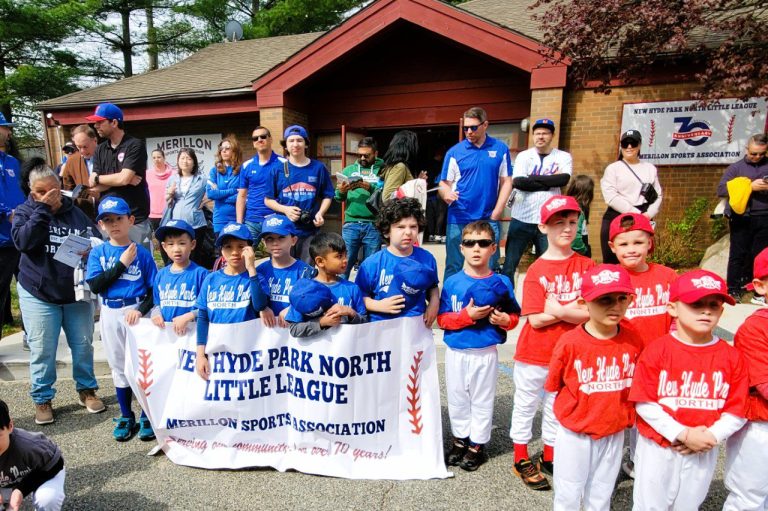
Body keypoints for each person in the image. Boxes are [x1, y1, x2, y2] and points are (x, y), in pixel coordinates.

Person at [629, 269, 748, 511]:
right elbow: (644, 402)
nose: (706, 310)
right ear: (672, 308)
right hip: (660, 446)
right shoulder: (657, 350)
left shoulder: (731, 356)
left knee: (688, 505)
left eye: (713, 305)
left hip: (703, 447)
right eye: (695, 303)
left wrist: (711, 436)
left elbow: (737, 409)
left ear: (721, 311)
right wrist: (682, 433)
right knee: (649, 506)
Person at [510, 195, 594, 491]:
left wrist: (558, 309)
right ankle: (520, 456)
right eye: (559, 223)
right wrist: (573, 309)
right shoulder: (536, 270)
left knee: (556, 407)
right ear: (543, 227)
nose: (568, 229)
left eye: (572, 222)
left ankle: (550, 454)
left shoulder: (586, 265)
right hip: (535, 353)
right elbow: (534, 319)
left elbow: (591, 313)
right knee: (526, 405)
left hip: (570, 353)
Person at [11, 158, 105, 425]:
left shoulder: (75, 212)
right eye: (41, 192)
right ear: (32, 192)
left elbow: (95, 236)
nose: (49, 195)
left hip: (74, 292)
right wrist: (42, 210)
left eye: (53, 189)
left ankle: (86, 389)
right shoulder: (25, 211)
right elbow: (25, 243)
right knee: (43, 349)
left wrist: (92, 246)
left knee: (83, 344)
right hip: (38, 291)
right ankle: (42, 397)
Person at [544, 264, 642, 510]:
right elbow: (554, 387)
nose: (615, 306)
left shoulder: (633, 340)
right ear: (583, 302)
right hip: (576, 433)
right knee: (568, 493)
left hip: (613, 430)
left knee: (601, 494)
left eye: (622, 298)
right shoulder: (570, 342)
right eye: (604, 299)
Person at [438, 220, 520, 471]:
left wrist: (506, 321)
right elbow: (442, 319)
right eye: (470, 243)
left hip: (485, 351)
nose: (476, 249)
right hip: (457, 351)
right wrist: (467, 317)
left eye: (483, 243)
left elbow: (514, 315)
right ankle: (460, 439)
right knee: (457, 397)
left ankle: (477, 443)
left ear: (493, 248)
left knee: (482, 399)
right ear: (461, 248)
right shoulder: (452, 282)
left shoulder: (502, 282)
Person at [607, 212, 677, 479]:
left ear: (650, 242)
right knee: (618, 412)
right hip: (621, 360)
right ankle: (610, 463)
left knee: (649, 412)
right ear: (613, 247)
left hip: (658, 360)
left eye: (638, 242)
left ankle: (639, 461)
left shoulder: (668, 276)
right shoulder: (610, 277)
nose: (631, 249)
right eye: (623, 244)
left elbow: (677, 318)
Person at [86, 197, 157, 442]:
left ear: (130, 220)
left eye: (118, 218)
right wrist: (121, 264)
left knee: (142, 366)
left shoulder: (143, 253)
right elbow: (96, 285)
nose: (114, 224)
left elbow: (153, 290)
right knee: (118, 365)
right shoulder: (99, 252)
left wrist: (142, 310)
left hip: (136, 311)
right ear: (101, 225)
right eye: (108, 220)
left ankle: (148, 415)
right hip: (110, 311)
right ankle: (127, 415)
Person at [439, 107, 512, 279]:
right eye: (466, 128)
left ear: (485, 125)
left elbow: (507, 181)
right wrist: (446, 193)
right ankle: (450, 303)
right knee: (454, 264)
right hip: (459, 216)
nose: (469, 132)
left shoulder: (500, 149)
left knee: (490, 264)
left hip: (488, 217)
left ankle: (488, 301)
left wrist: (497, 212)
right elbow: (443, 183)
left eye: (473, 127)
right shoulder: (454, 152)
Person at [723, 247, 768, 510]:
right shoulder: (754, 328)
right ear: (760, 286)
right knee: (749, 496)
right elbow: (763, 384)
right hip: (759, 425)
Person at [195, 223, 269, 380]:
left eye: (241, 246)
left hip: (247, 353)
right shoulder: (211, 279)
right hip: (218, 354)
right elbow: (203, 318)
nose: (235, 252)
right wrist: (200, 354)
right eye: (228, 247)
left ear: (250, 249)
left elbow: (260, 305)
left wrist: (251, 269)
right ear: (221, 251)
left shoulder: (256, 277)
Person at [503, 118, 572, 282]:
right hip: (522, 217)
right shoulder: (524, 156)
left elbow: (563, 180)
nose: (541, 137)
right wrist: (549, 182)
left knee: (549, 264)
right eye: (538, 133)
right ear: (533, 136)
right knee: (509, 264)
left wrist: (533, 178)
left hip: (549, 219)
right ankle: (506, 300)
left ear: (552, 135)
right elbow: (519, 182)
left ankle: (547, 300)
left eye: (545, 133)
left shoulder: (563, 156)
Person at [356, 198, 439, 325]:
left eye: (413, 227)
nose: (408, 232)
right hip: (381, 326)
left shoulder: (427, 259)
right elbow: (359, 297)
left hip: (416, 326)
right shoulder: (372, 264)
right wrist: (378, 305)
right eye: (400, 227)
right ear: (386, 231)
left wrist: (434, 304)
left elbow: (432, 287)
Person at [86, 102, 152, 252]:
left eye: (100, 122)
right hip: (108, 218)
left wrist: (105, 179)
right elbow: (94, 184)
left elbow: (123, 178)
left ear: (114, 122)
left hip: (133, 218)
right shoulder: (100, 150)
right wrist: (121, 180)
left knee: (139, 265)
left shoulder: (135, 145)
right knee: (111, 267)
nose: (95, 126)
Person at [265, 125, 334, 264]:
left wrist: (320, 213)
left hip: (310, 231)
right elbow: (268, 200)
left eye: (299, 140)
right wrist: (286, 210)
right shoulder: (277, 170)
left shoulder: (318, 168)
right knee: (282, 268)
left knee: (306, 270)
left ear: (306, 144)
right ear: (285, 145)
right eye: (291, 141)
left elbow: (328, 195)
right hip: (283, 231)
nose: (295, 144)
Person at [285, 233, 367, 337]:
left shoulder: (352, 288)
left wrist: (350, 313)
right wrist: (321, 323)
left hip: (345, 351)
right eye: (339, 256)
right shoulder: (304, 291)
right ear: (320, 261)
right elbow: (294, 329)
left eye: (346, 254)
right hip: (317, 351)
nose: (345, 260)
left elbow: (364, 322)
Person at [600, 129, 662, 264]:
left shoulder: (650, 168)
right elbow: (611, 196)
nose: (629, 147)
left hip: (644, 215)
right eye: (625, 143)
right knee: (612, 261)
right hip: (617, 215)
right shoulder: (613, 168)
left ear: (639, 145)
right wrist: (636, 214)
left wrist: (648, 214)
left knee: (638, 259)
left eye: (633, 143)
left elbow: (658, 195)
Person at [716, 133, 768, 298]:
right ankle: (733, 289)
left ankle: (759, 292)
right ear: (747, 149)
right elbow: (722, 190)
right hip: (741, 217)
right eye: (753, 153)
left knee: (760, 257)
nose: (757, 157)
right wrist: (749, 187)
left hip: (765, 216)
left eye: (762, 154)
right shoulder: (736, 168)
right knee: (738, 254)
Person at [0, 399, 66, 511]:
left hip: (40, 471)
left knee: (48, 499)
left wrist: (20, 490)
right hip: (6, 483)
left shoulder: (29, 445)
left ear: (10, 426)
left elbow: (56, 464)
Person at [334, 137, 384, 278]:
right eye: (359, 155)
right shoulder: (349, 170)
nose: (362, 158)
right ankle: (342, 295)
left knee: (371, 266)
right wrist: (342, 191)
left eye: (366, 155)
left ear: (376, 153)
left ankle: (367, 296)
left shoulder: (383, 170)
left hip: (374, 224)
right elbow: (338, 197)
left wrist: (370, 187)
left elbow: (387, 194)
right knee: (344, 264)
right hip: (351, 223)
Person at [150, 220, 209, 336]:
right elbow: (157, 304)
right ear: (164, 247)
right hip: (167, 337)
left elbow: (209, 307)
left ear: (192, 244)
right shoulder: (161, 275)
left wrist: (188, 316)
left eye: (182, 243)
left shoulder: (202, 274)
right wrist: (155, 314)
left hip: (193, 335)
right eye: (171, 244)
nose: (176, 249)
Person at [255, 214, 313, 328]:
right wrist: (263, 308)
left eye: (281, 237)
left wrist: (293, 309)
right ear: (264, 243)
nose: (275, 243)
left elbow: (312, 301)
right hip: (266, 335)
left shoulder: (305, 271)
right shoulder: (259, 271)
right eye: (270, 239)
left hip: (295, 335)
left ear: (293, 240)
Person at [237, 126, 284, 242]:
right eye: (255, 138)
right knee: (246, 254)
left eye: (263, 136)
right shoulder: (247, 166)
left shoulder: (284, 164)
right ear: (253, 143)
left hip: (274, 219)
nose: (259, 140)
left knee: (277, 255)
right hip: (251, 220)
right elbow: (242, 195)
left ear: (270, 139)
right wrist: (239, 222)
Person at [0, 112, 24, 342]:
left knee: (28, 289)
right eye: (4, 128)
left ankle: (31, 336)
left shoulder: (12, 162)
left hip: (20, 236)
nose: (9, 132)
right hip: (1, 239)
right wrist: (6, 212)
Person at [162, 148, 209, 267]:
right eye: (182, 158)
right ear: (178, 161)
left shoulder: (201, 179)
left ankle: (195, 280)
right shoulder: (173, 179)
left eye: (189, 158)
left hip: (196, 223)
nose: (185, 161)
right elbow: (167, 200)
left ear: (194, 162)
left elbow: (214, 190)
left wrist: (205, 201)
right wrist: (170, 193)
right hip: (176, 223)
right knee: (177, 255)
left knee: (195, 255)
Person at [60, 124, 99, 219]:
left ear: (95, 140)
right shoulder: (72, 161)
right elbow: (67, 189)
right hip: (84, 215)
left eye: (85, 147)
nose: (82, 151)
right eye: (78, 147)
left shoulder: (108, 156)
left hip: (109, 213)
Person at [207, 136, 242, 236]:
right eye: (222, 149)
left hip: (237, 218)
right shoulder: (214, 171)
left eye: (227, 148)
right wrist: (233, 191)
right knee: (220, 251)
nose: (224, 151)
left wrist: (220, 196)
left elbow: (243, 196)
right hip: (219, 220)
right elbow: (211, 193)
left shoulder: (241, 171)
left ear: (235, 151)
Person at [379, 130, 419, 202]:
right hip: (400, 212)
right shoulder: (399, 167)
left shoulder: (393, 165)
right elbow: (388, 197)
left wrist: (419, 181)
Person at [565, 175, 594, 257]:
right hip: (577, 252)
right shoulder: (577, 210)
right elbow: (575, 236)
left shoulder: (570, 206)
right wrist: (583, 250)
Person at [146, 149, 174, 232]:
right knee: (158, 240)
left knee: (171, 238)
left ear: (164, 158)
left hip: (170, 212)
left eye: (159, 157)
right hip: (153, 214)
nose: (156, 159)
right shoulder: (147, 174)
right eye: (154, 158)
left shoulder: (174, 173)